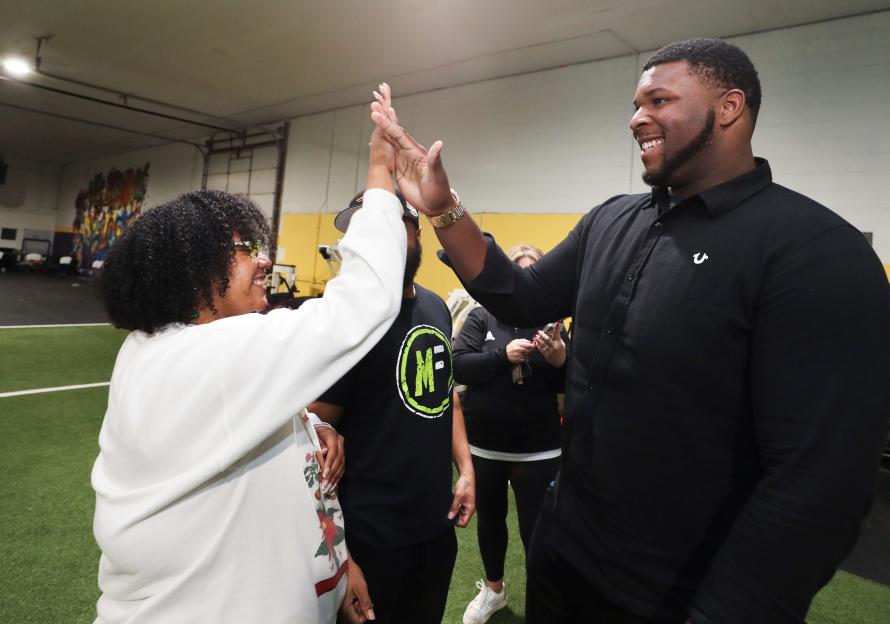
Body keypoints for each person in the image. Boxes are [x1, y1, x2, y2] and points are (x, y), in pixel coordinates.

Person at [368, 36, 890, 624]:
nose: (636, 118)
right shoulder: (612, 220)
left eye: (659, 100)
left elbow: (817, 486)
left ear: (729, 107)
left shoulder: (814, 253)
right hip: (564, 557)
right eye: (636, 103)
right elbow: (519, 292)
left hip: (673, 593)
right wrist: (442, 206)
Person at [91, 123, 407, 623]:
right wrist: (380, 177)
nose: (264, 260)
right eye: (243, 249)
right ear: (195, 273)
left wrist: (312, 425)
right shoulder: (211, 358)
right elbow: (365, 301)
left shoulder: (160, 349)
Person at [306, 186, 475, 624]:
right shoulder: (348, 323)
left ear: (415, 232)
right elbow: (314, 447)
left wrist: (467, 467)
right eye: (365, 232)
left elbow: (447, 398)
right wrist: (344, 559)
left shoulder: (437, 307)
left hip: (436, 530)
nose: (375, 243)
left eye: (387, 228)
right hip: (372, 540)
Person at [452, 243, 568, 624]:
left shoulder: (553, 322)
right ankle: (494, 589)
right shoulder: (482, 317)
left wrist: (558, 361)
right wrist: (502, 357)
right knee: (491, 519)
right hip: (486, 443)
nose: (526, 279)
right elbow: (459, 367)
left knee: (538, 527)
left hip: (539, 446)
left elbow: (574, 381)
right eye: (520, 272)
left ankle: (543, 598)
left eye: (533, 272)